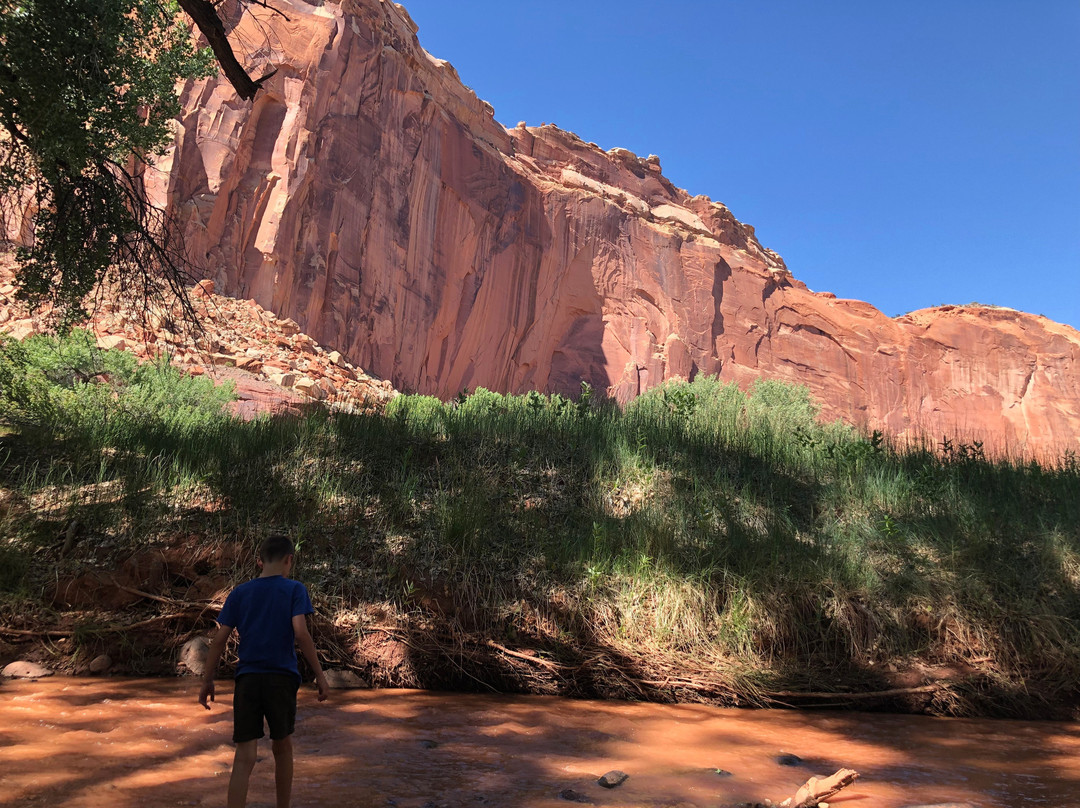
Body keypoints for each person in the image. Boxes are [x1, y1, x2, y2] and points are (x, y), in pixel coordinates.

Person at [198, 534, 330, 808]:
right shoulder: (294, 589)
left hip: (247, 679)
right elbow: (301, 634)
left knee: (244, 755)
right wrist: (319, 674)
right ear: (288, 560)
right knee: (282, 748)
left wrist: (207, 680)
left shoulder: (240, 593)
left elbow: (219, 640)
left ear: (260, 562)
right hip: (281, 679)